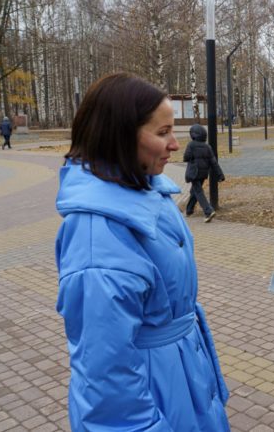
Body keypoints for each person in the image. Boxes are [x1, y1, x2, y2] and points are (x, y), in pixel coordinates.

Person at [54, 73, 230, 431]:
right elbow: (106, 382)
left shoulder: (145, 191)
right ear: (119, 135)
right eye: (162, 132)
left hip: (180, 378)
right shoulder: (97, 240)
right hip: (158, 391)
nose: (175, 144)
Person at [183, 123, 224, 222]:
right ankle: (189, 210)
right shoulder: (207, 147)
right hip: (203, 173)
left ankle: (208, 211)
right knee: (194, 191)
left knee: (198, 191)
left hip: (194, 172)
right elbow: (214, 162)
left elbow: (186, 157)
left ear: (193, 134)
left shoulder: (191, 145)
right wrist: (220, 174)